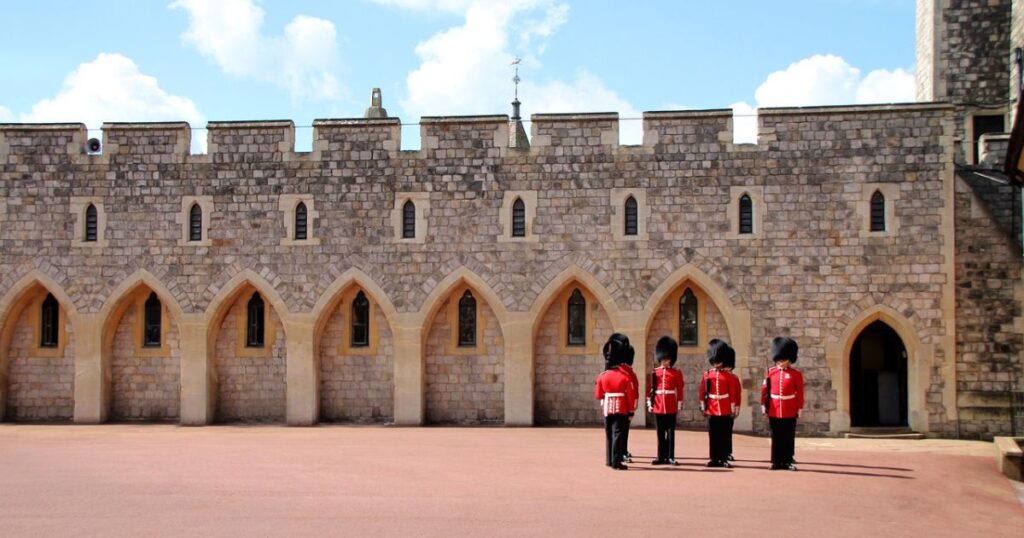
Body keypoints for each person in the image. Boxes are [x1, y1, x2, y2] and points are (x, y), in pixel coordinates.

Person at [760, 336, 804, 471]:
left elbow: (800, 392)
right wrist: (764, 406)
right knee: (776, 436)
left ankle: (787, 461)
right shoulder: (770, 372)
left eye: (783, 359)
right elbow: (765, 390)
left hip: (789, 409)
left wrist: (799, 408)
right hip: (774, 408)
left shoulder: (795, 374)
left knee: (788, 436)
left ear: (789, 360)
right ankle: (776, 461)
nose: (781, 362)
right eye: (779, 359)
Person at [595, 333, 637, 470]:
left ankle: (609, 460)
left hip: (607, 408)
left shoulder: (603, 376)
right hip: (621, 407)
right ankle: (616, 461)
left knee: (608, 434)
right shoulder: (625, 376)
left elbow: (598, 394)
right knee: (618, 433)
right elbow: (630, 395)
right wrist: (631, 411)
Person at [699, 339, 741, 467]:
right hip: (712, 408)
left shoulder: (729, 376)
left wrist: (733, 408)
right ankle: (714, 458)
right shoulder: (707, 375)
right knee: (713, 435)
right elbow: (702, 392)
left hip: (724, 408)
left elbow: (733, 394)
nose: (716, 363)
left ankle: (723, 458)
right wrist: (703, 406)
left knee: (723, 435)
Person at [647, 336, 683, 465]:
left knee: (671, 432)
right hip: (658, 404)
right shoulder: (654, 373)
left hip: (670, 404)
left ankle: (670, 456)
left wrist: (679, 405)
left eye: (667, 359)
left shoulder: (676, 373)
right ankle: (661, 456)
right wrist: (649, 404)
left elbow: (680, 389)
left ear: (671, 359)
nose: (664, 361)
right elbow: (650, 390)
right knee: (660, 433)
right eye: (662, 359)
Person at [617, 342, 639, 464]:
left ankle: (623, 450)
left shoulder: (626, 370)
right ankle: (622, 451)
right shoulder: (626, 372)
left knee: (623, 430)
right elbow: (633, 389)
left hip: (626, 404)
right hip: (624, 404)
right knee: (622, 430)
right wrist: (633, 405)